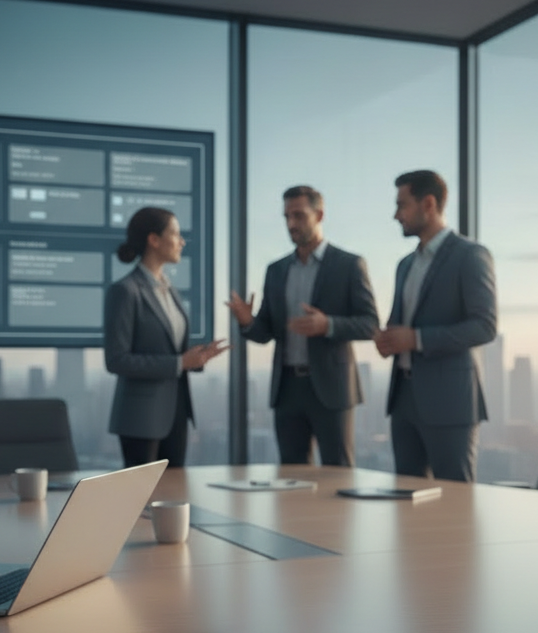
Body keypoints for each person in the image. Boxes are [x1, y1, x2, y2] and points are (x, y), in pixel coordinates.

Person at [227, 185, 378, 466]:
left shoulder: (349, 265)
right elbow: (266, 331)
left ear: (319, 215)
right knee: (291, 475)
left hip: (332, 389)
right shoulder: (276, 270)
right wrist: (248, 322)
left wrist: (327, 325)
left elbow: (370, 324)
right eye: (286, 217)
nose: (291, 224)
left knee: (338, 472)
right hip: (287, 390)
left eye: (298, 215)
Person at [374, 170, 497, 483]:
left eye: (402, 205)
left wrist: (415, 339)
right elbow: (401, 322)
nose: (395, 215)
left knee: (455, 506)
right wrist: (389, 339)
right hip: (403, 399)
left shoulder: (470, 256)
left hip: (449, 402)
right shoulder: (405, 264)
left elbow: (484, 326)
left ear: (428, 203)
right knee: (406, 502)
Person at [105, 207, 227, 468]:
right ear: (154, 240)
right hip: (140, 419)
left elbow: (171, 348)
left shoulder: (169, 290)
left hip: (176, 414)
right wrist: (179, 363)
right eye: (175, 234)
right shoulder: (125, 291)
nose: (182, 241)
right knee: (141, 503)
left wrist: (197, 358)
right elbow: (117, 360)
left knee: (173, 496)